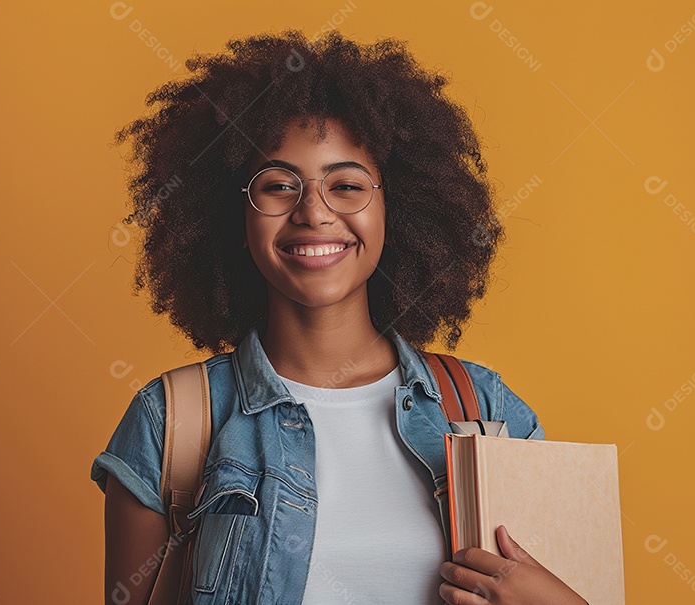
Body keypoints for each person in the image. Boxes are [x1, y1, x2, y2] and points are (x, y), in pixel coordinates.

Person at [91, 29, 586, 605]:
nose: (313, 212)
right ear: (234, 217)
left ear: (394, 207)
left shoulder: (487, 412)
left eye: (346, 185)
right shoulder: (170, 424)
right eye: (279, 185)